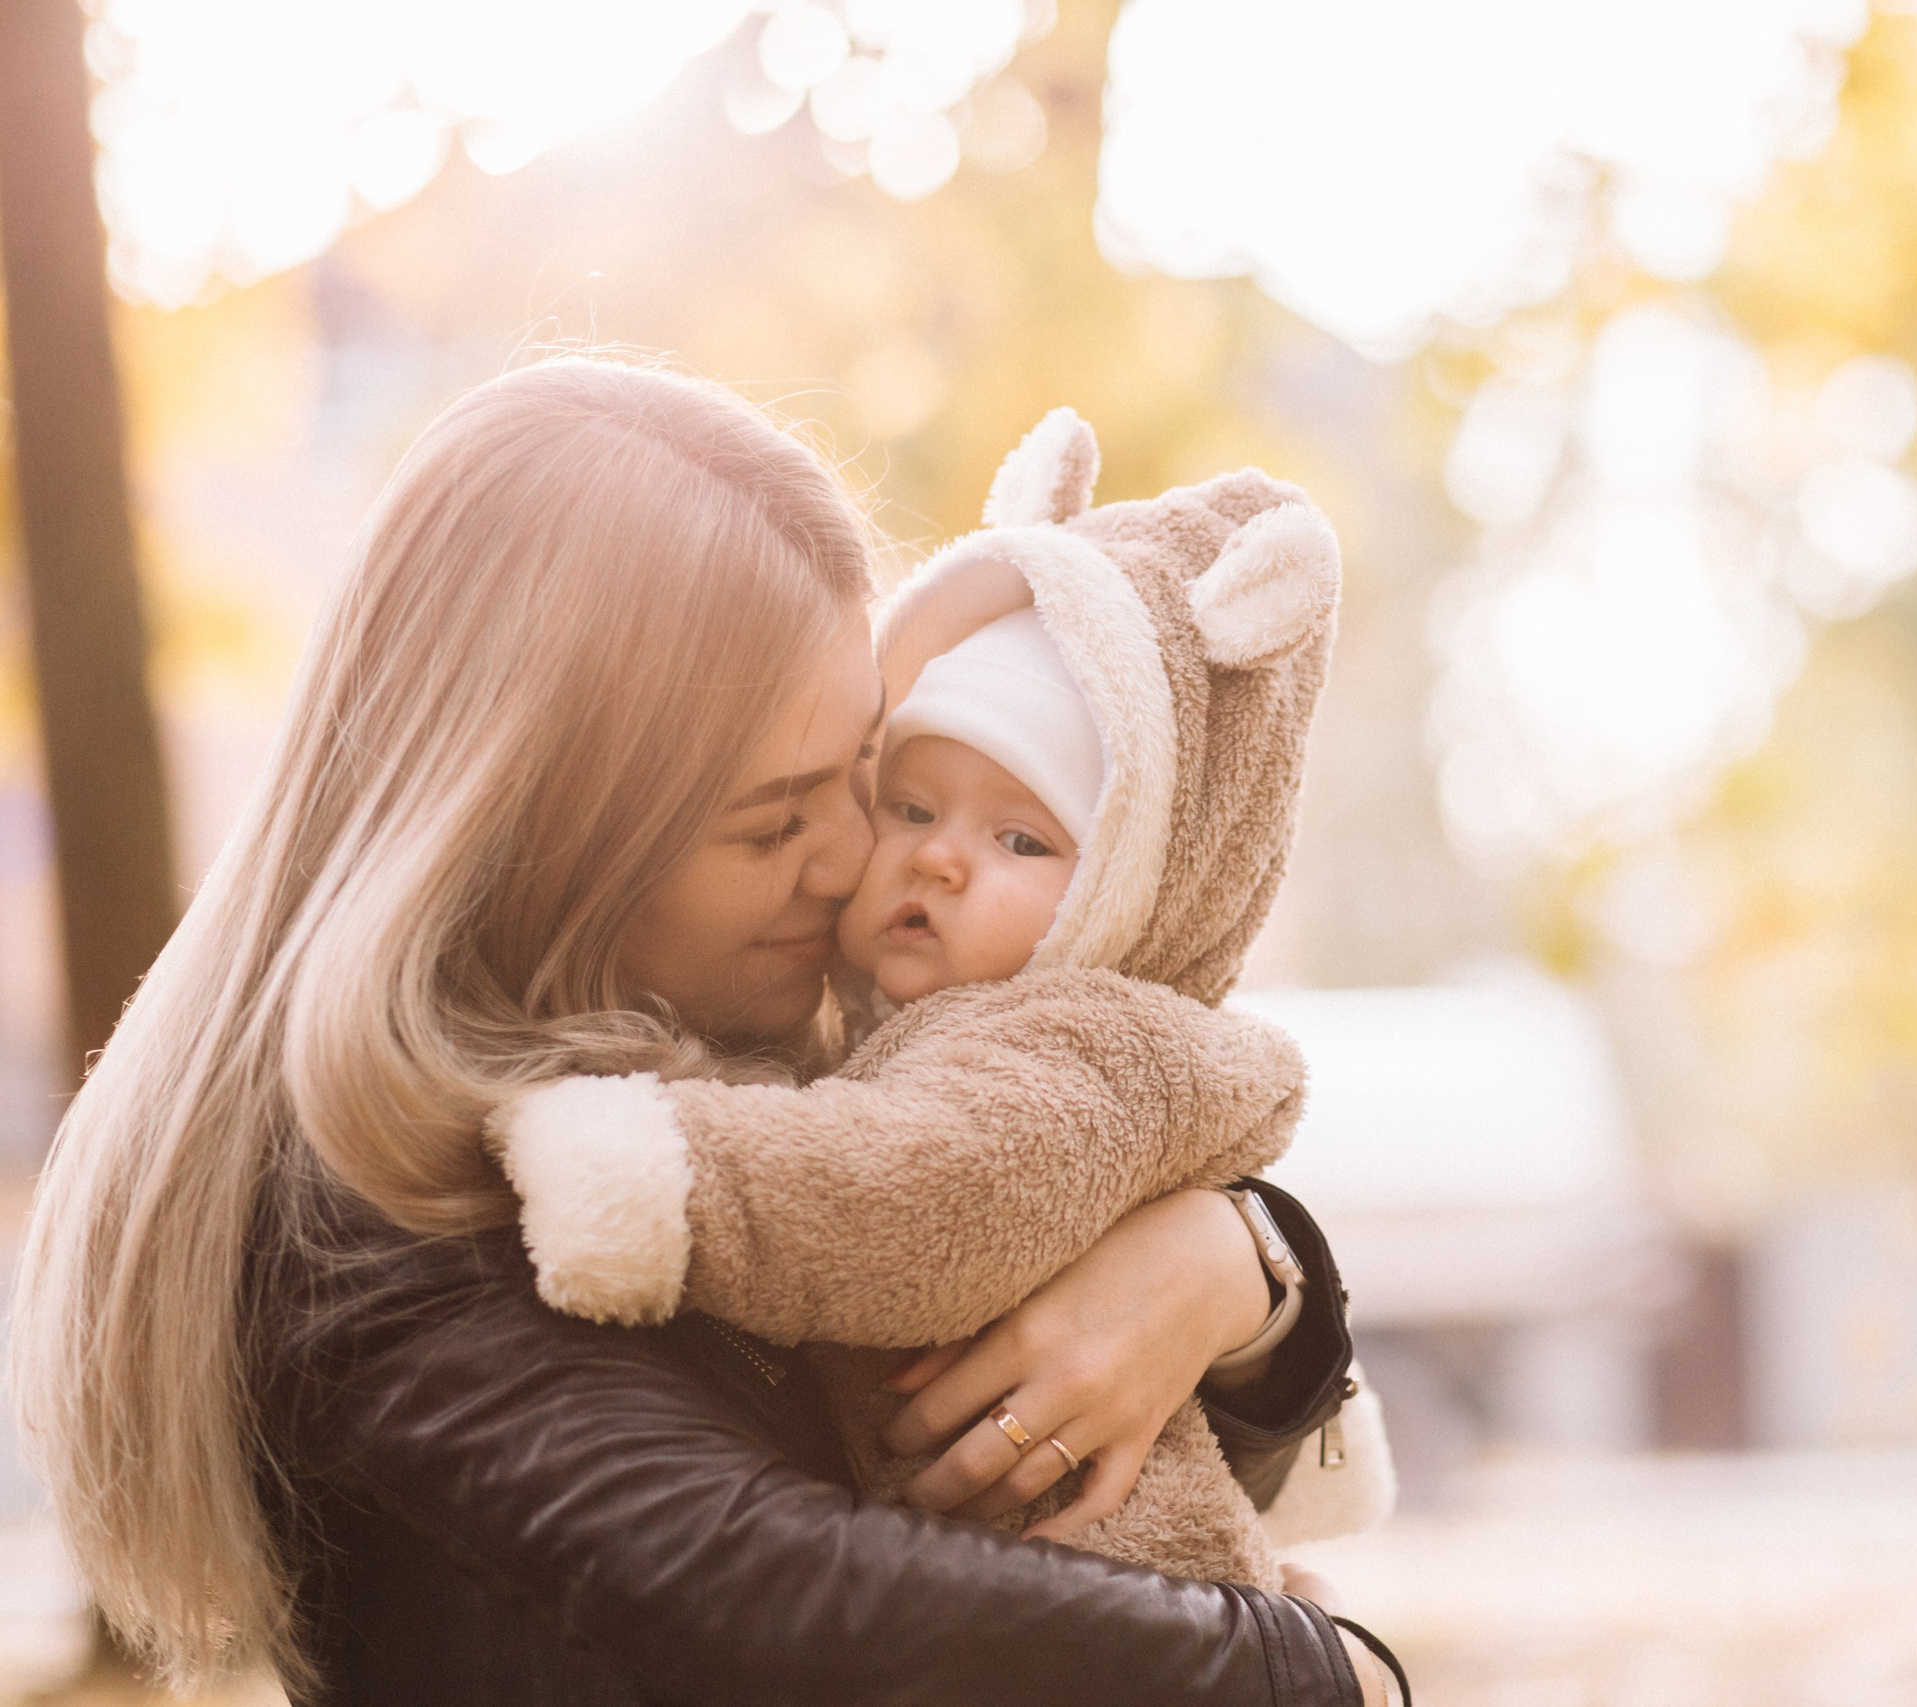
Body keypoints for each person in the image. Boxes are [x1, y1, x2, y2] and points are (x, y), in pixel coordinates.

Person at [10, 358, 1402, 1706]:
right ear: (539, 833)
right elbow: (763, 1589)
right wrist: (1312, 1672)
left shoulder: (740, 1052)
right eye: (774, 818)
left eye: (869, 774)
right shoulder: (371, 1194)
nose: (861, 852)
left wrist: (1239, 1265)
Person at [490, 410, 1395, 1594]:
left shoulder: (1061, 1043)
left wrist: (650, 1176)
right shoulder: (876, 1035)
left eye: (1021, 838)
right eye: (908, 806)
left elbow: (911, 1185)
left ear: (1127, 885)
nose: (918, 861)